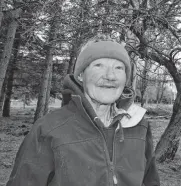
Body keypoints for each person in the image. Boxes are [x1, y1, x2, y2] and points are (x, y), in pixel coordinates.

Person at [6, 37, 160, 186]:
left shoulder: (139, 126)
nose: (110, 76)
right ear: (80, 75)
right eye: (98, 65)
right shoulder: (48, 130)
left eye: (119, 67)